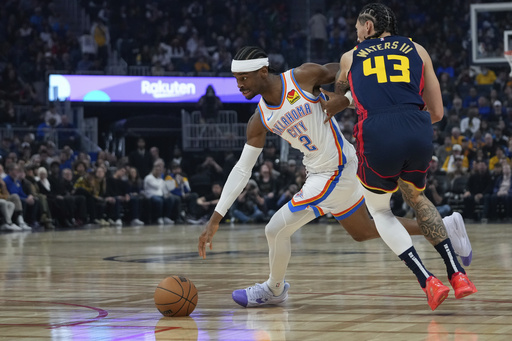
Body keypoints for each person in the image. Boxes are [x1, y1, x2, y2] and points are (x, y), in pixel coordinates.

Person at [197, 45, 473, 311]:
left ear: (262, 71)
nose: (239, 85)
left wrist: (348, 99)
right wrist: (215, 217)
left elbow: (353, 73)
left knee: (274, 229)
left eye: (243, 78)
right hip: (322, 172)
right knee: (362, 231)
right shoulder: (259, 120)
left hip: (336, 169)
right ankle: (444, 227)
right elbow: (242, 170)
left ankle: (274, 289)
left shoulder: (302, 77)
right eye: (236, 79)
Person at [320, 3, 477, 311]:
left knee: (380, 212)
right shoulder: (418, 50)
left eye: (356, 27)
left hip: (377, 130)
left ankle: (428, 281)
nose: (355, 33)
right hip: (417, 128)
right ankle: (458, 274)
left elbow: (337, 101)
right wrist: (407, 121)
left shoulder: (351, 57)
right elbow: (438, 112)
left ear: (367, 26)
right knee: (417, 198)